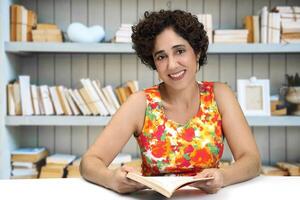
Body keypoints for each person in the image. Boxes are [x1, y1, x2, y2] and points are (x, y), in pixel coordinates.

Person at [80, 9, 261, 195]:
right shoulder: (140, 104)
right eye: (161, 56)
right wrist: (112, 179)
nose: (172, 65)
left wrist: (223, 176)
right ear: (154, 63)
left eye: (180, 51)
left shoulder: (220, 95)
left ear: (196, 52)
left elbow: (251, 160)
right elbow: (90, 161)